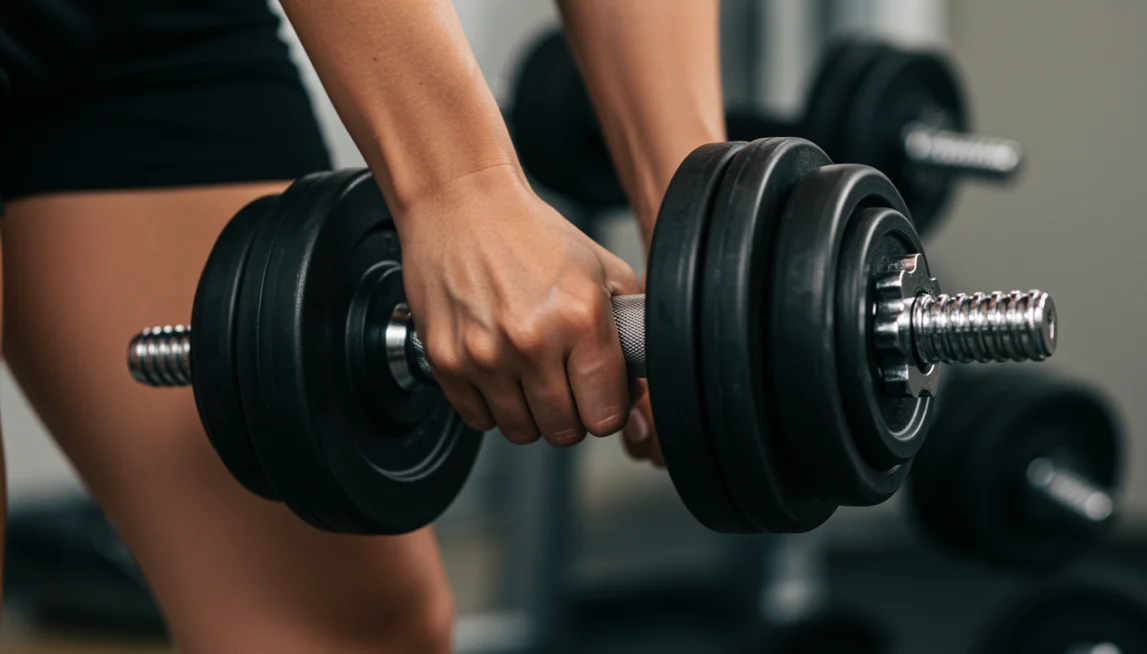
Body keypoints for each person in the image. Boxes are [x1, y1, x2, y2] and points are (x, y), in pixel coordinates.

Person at [0, 0, 724, 651]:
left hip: (143, 29)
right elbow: (459, 186)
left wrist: (704, 246)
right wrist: (461, 186)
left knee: (349, 633)